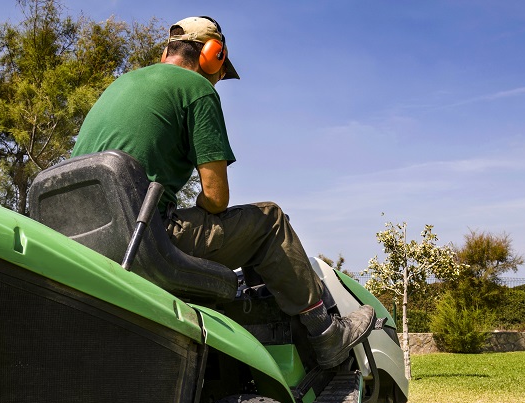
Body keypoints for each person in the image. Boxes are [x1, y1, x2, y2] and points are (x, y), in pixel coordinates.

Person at [72, 16, 375, 369]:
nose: (218, 79)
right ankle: (326, 334)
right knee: (271, 220)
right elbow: (216, 198)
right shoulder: (196, 89)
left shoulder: (119, 86)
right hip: (145, 241)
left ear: (166, 51)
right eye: (220, 71)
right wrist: (202, 205)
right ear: (213, 56)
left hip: (86, 244)